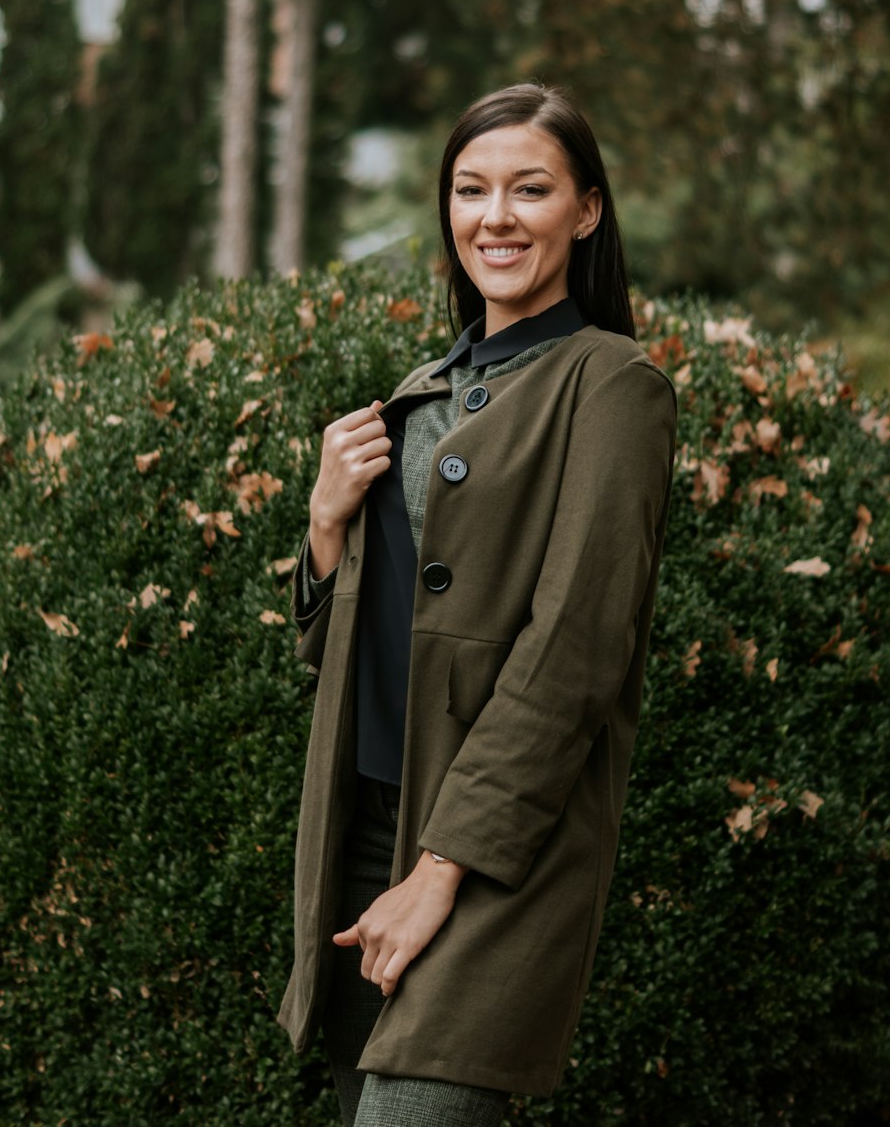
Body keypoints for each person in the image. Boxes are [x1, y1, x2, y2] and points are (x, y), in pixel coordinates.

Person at [277, 83, 678, 1127]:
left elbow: (576, 653)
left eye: (529, 189)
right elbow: (338, 654)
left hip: (489, 857)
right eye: (470, 189)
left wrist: (440, 871)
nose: (494, 217)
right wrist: (325, 528)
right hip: (365, 836)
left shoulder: (612, 385)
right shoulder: (422, 387)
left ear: (585, 210)